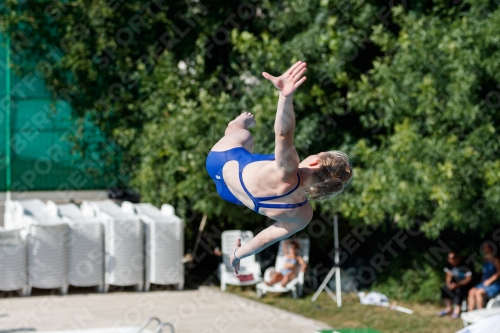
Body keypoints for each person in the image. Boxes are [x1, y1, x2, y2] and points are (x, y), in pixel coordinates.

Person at [206, 61, 352, 274]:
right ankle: (244, 134)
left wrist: (286, 96)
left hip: (222, 162)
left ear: (315, 162)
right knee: (262, 160)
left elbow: (284, 132)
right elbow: (264, 239)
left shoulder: (288, 169)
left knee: (243, 135)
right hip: (230, 194)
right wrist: (238, 254)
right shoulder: (303, 215)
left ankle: (241, 121)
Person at [437, 251, 473, 319]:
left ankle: (457, 310)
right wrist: (448, 283)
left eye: (452, 258)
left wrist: (457, 285)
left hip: (466, 285)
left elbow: (469, 279)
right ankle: (449, 308)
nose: (450, 260)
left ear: (458, 258)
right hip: (454, 283)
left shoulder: (466, 264)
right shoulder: (449, 264)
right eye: (449, 258)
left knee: (459, 290)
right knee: (445, 288)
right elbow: (448, 275)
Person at [467, 243, 500, 310]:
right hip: (484, 283)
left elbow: (499, 272)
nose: (485, 250)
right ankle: (470, 313)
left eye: (486, 248)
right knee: (471, 291)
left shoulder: (496, 260)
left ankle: (481, 313)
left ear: (491, 249)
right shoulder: (485, 259)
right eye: (484, 248)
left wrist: (490, 280)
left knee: (478, 292)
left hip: (495, 283)